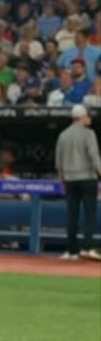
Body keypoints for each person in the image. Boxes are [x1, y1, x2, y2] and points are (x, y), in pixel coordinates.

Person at [56, 105, 101, 261]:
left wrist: (62, 179)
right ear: (82, 117)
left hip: (70, 180)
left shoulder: (63, 135)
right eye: (88, 115)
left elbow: (58, 161)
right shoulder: (89, 133)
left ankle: (71, 250)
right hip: (87, 178)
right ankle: (87, 247)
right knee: (90, 214)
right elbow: (94, 156)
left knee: (72, 215)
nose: (90, 118)